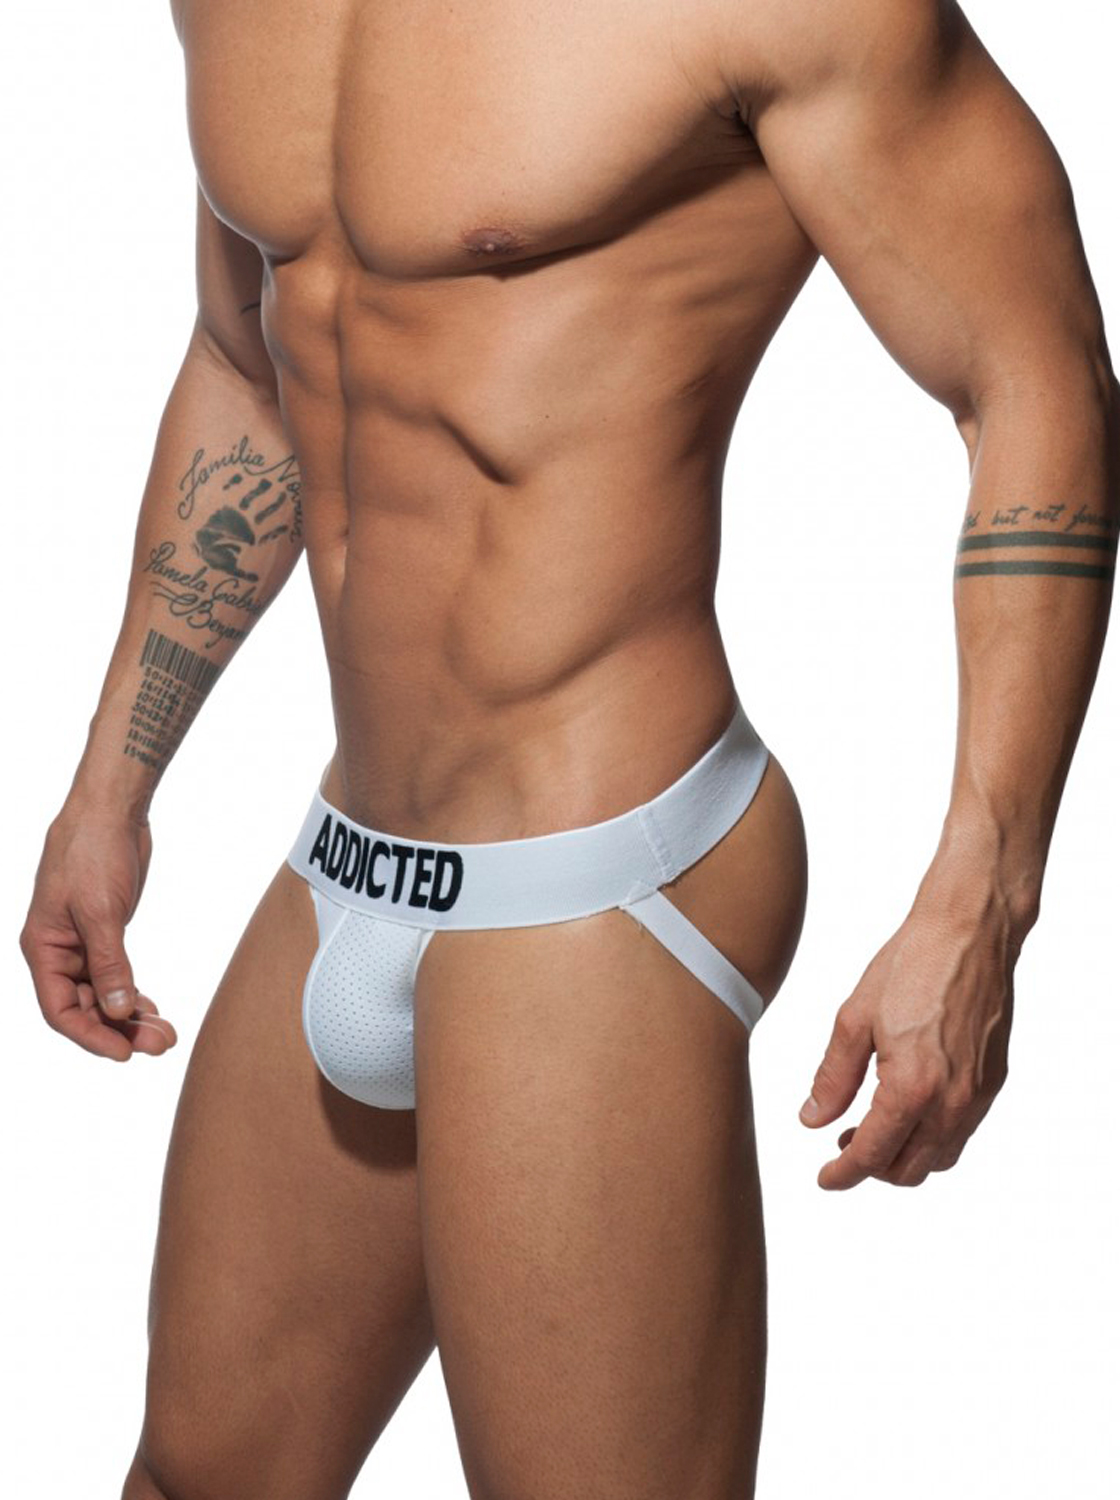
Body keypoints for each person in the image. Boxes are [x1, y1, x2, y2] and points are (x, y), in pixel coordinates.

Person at [18, 0, 1118, 1496]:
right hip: (355, 843)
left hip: (607, 865)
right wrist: (110, 786)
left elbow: (1033, 375)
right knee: (194, 1477)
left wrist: (983, 895)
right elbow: (249, 359)